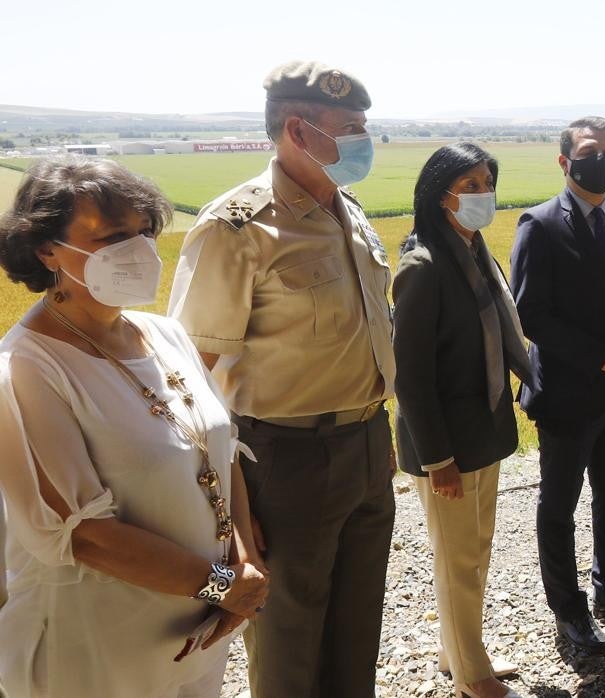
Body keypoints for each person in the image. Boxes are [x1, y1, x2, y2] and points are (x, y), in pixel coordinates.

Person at [168, 61, 397, 696]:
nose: (364, 140)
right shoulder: (236, 228)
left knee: (358, 628)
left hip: (366, 443)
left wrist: (380, 439)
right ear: (299, 129)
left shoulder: (346, 211)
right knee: (290, 637)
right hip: (283, 457)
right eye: (351, 128)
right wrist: (228, 508)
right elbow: (189, 381)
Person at [0, 156, 268, 697]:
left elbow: (221, 451)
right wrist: (222, 586)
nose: (140, 250)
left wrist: (245, 566)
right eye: (114, 235)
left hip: (195, 630)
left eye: (145, 231)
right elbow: (87, 537)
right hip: (96, 644)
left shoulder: (165, 335)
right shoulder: (25, 370)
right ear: (46, 249)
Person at [509, 116, 605, 653]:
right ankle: (569, 611)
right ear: (565, 161)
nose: (603, 159)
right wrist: (603, 359)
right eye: (591, 150)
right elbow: (532, 316)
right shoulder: (541, 224)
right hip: (569, 396)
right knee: (559, 506)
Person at [392, 143, 527, 698]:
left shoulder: (475, 253)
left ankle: (457, 650)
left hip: (484, 432)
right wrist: (437, 459)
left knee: (476, 550)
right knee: (458, 560)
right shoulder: (423, 266)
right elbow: (411, 376)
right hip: (446, 446)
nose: (481, 195)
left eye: (486, 183)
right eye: (468, 186)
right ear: (438, 193)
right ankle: (473, 675)